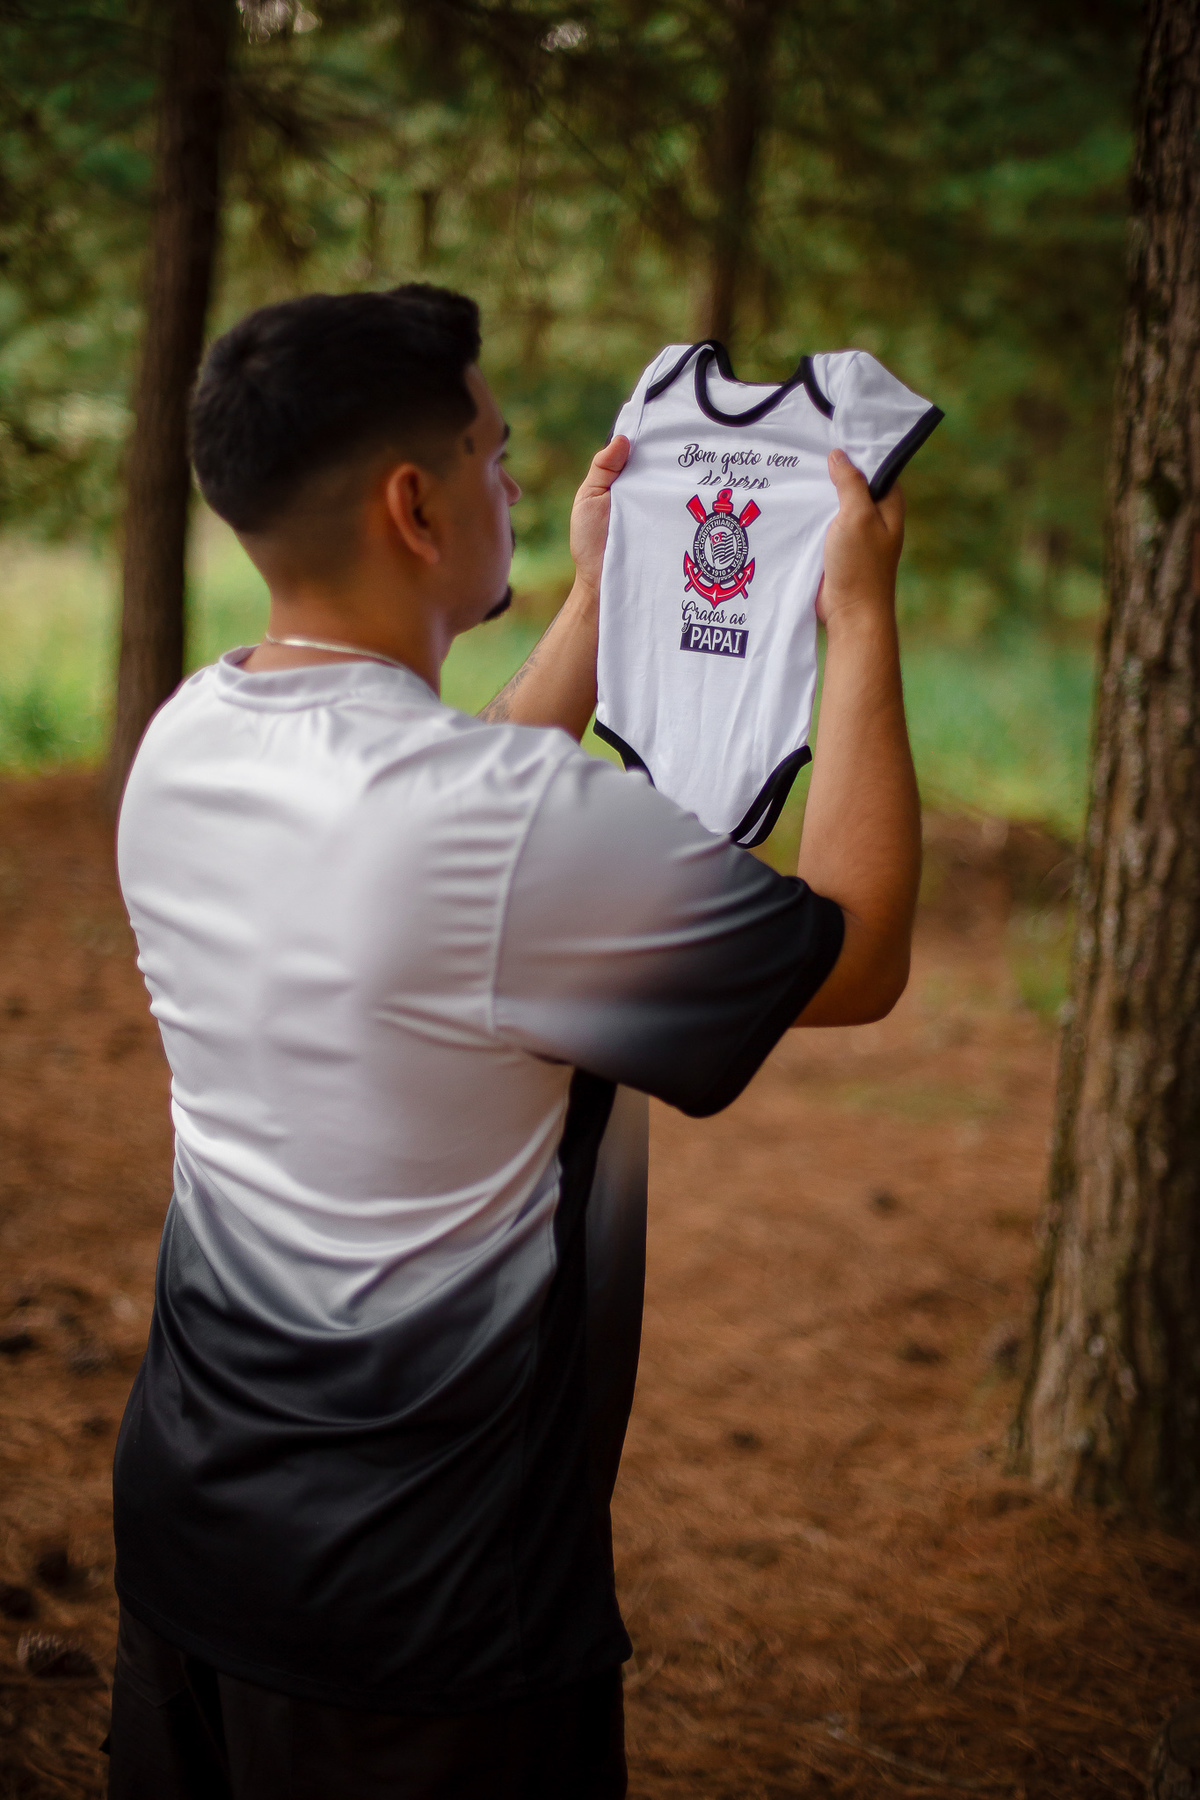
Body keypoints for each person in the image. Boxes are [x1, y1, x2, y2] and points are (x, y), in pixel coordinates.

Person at [107, 283, 920, 1799]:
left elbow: (446, 829)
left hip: (190, 1553)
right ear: (412, 507)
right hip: (430, 1625)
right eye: (493, 455)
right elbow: (859, 951)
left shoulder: (190, 738)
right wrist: (861, 620)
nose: (519, 487)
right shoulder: (513, 830)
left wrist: (600, 604)